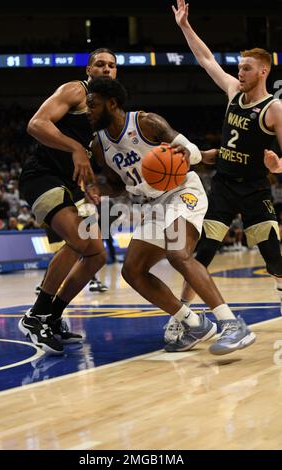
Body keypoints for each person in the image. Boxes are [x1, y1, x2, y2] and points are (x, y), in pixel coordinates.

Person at [86, 76, 256, 355]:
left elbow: (188, 150)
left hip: (182, 190)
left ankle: (232, 325)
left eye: (93, 105)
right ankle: (193, 323)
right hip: (152, 204)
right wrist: (97, 188)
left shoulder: (146, 122)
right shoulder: (98, 146)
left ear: (112, 103)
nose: (88, 111)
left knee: (179, 254)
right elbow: (117, 186)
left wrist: (190, 152)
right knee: (132, 271)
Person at [172, 1, 282, 330]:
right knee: (200, 255)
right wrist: (185, 26)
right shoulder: (233, 91)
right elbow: (206, 59)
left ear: (263, 71)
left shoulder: (274, 109)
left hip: (255, 190)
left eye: (246, 68)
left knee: (275, 259)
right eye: (239, 67)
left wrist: (277, 166)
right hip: (222, 187)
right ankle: (184, 316)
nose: (239, 72)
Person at [18, 49, 117, 354]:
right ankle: (35, 316)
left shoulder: (105, 113)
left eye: (112, 65)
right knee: (78, 239)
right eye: (100, 63)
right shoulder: (75, 90)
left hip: (68, 184)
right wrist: (74, 146)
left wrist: (90, 185)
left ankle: (53, 317)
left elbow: (90, 159)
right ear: (89, 69)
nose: (106, 68)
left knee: (97, 254)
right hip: (41, 175)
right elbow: (36, 124)